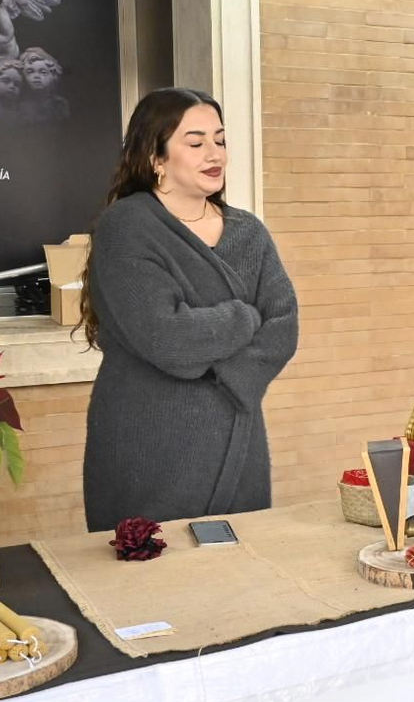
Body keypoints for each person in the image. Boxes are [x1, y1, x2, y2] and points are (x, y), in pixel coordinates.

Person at [80, 88, 299, 532]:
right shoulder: (126, 227)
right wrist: (245, 316)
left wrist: (228, 378)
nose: (214, 154)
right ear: (155, 157)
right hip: (149, 436)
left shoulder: (248, 232)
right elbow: (165, 336)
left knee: (238, 556)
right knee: (152, 559)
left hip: (237, 432)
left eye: (220, 140)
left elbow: (283, 326)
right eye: (196, 143)